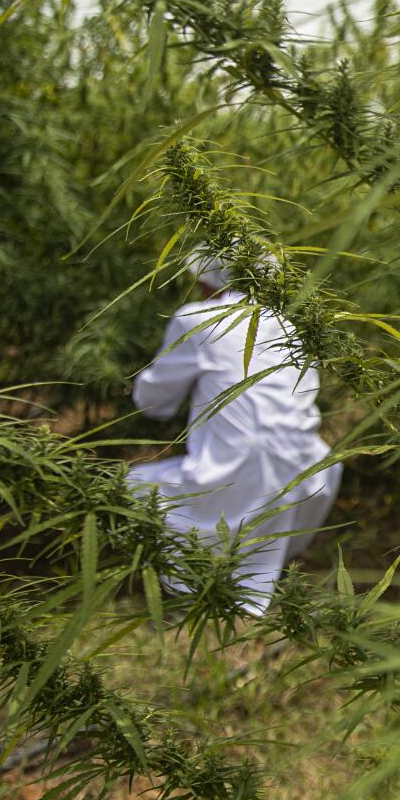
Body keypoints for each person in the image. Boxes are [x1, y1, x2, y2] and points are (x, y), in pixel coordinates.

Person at [130, 253, 342, 614]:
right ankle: (246, 581)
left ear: (209, 281)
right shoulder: (293, 325)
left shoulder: (196, 319)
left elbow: (152, 401)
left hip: (242, 468)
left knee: (132, 489)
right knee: (253, 521)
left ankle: (187, 590)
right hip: (311, 471)